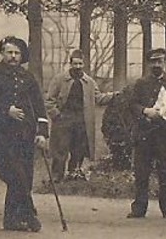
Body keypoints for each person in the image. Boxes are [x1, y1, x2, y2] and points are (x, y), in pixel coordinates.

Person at [0, 35, 50, 232]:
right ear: (2, 53)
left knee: (24, 176)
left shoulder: (28, 78)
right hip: (0, 136)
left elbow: (39, 107)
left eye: (17, 53)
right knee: (15, 176)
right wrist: (5, 109)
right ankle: (29, 214)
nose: (13, 56)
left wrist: (42, 133)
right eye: (9, 52)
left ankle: (11, 220)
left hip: (25, 136)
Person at [119, 46, 166, 220]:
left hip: (165, 135)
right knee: (142, 172)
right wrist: (145, 111)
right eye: (153, 62)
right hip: (145, 134)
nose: (157, 65)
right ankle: (139, 208)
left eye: (160, 61)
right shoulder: (141, 84)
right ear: (148, 64)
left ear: (165, 63)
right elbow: (132, 105)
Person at [45, 49, 114, 183]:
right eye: (75, 64)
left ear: (84, 65)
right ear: (70, 64)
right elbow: (49, 100)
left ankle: (73, 174)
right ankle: (56, 177)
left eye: (80, 64)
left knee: (78, 149)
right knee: (60, 150)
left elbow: (98, 98)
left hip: (82, 121)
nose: (77, 67)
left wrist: (114, 95)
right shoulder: (60, 79)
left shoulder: (89, 82)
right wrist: (57, 115)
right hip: (63, 120)